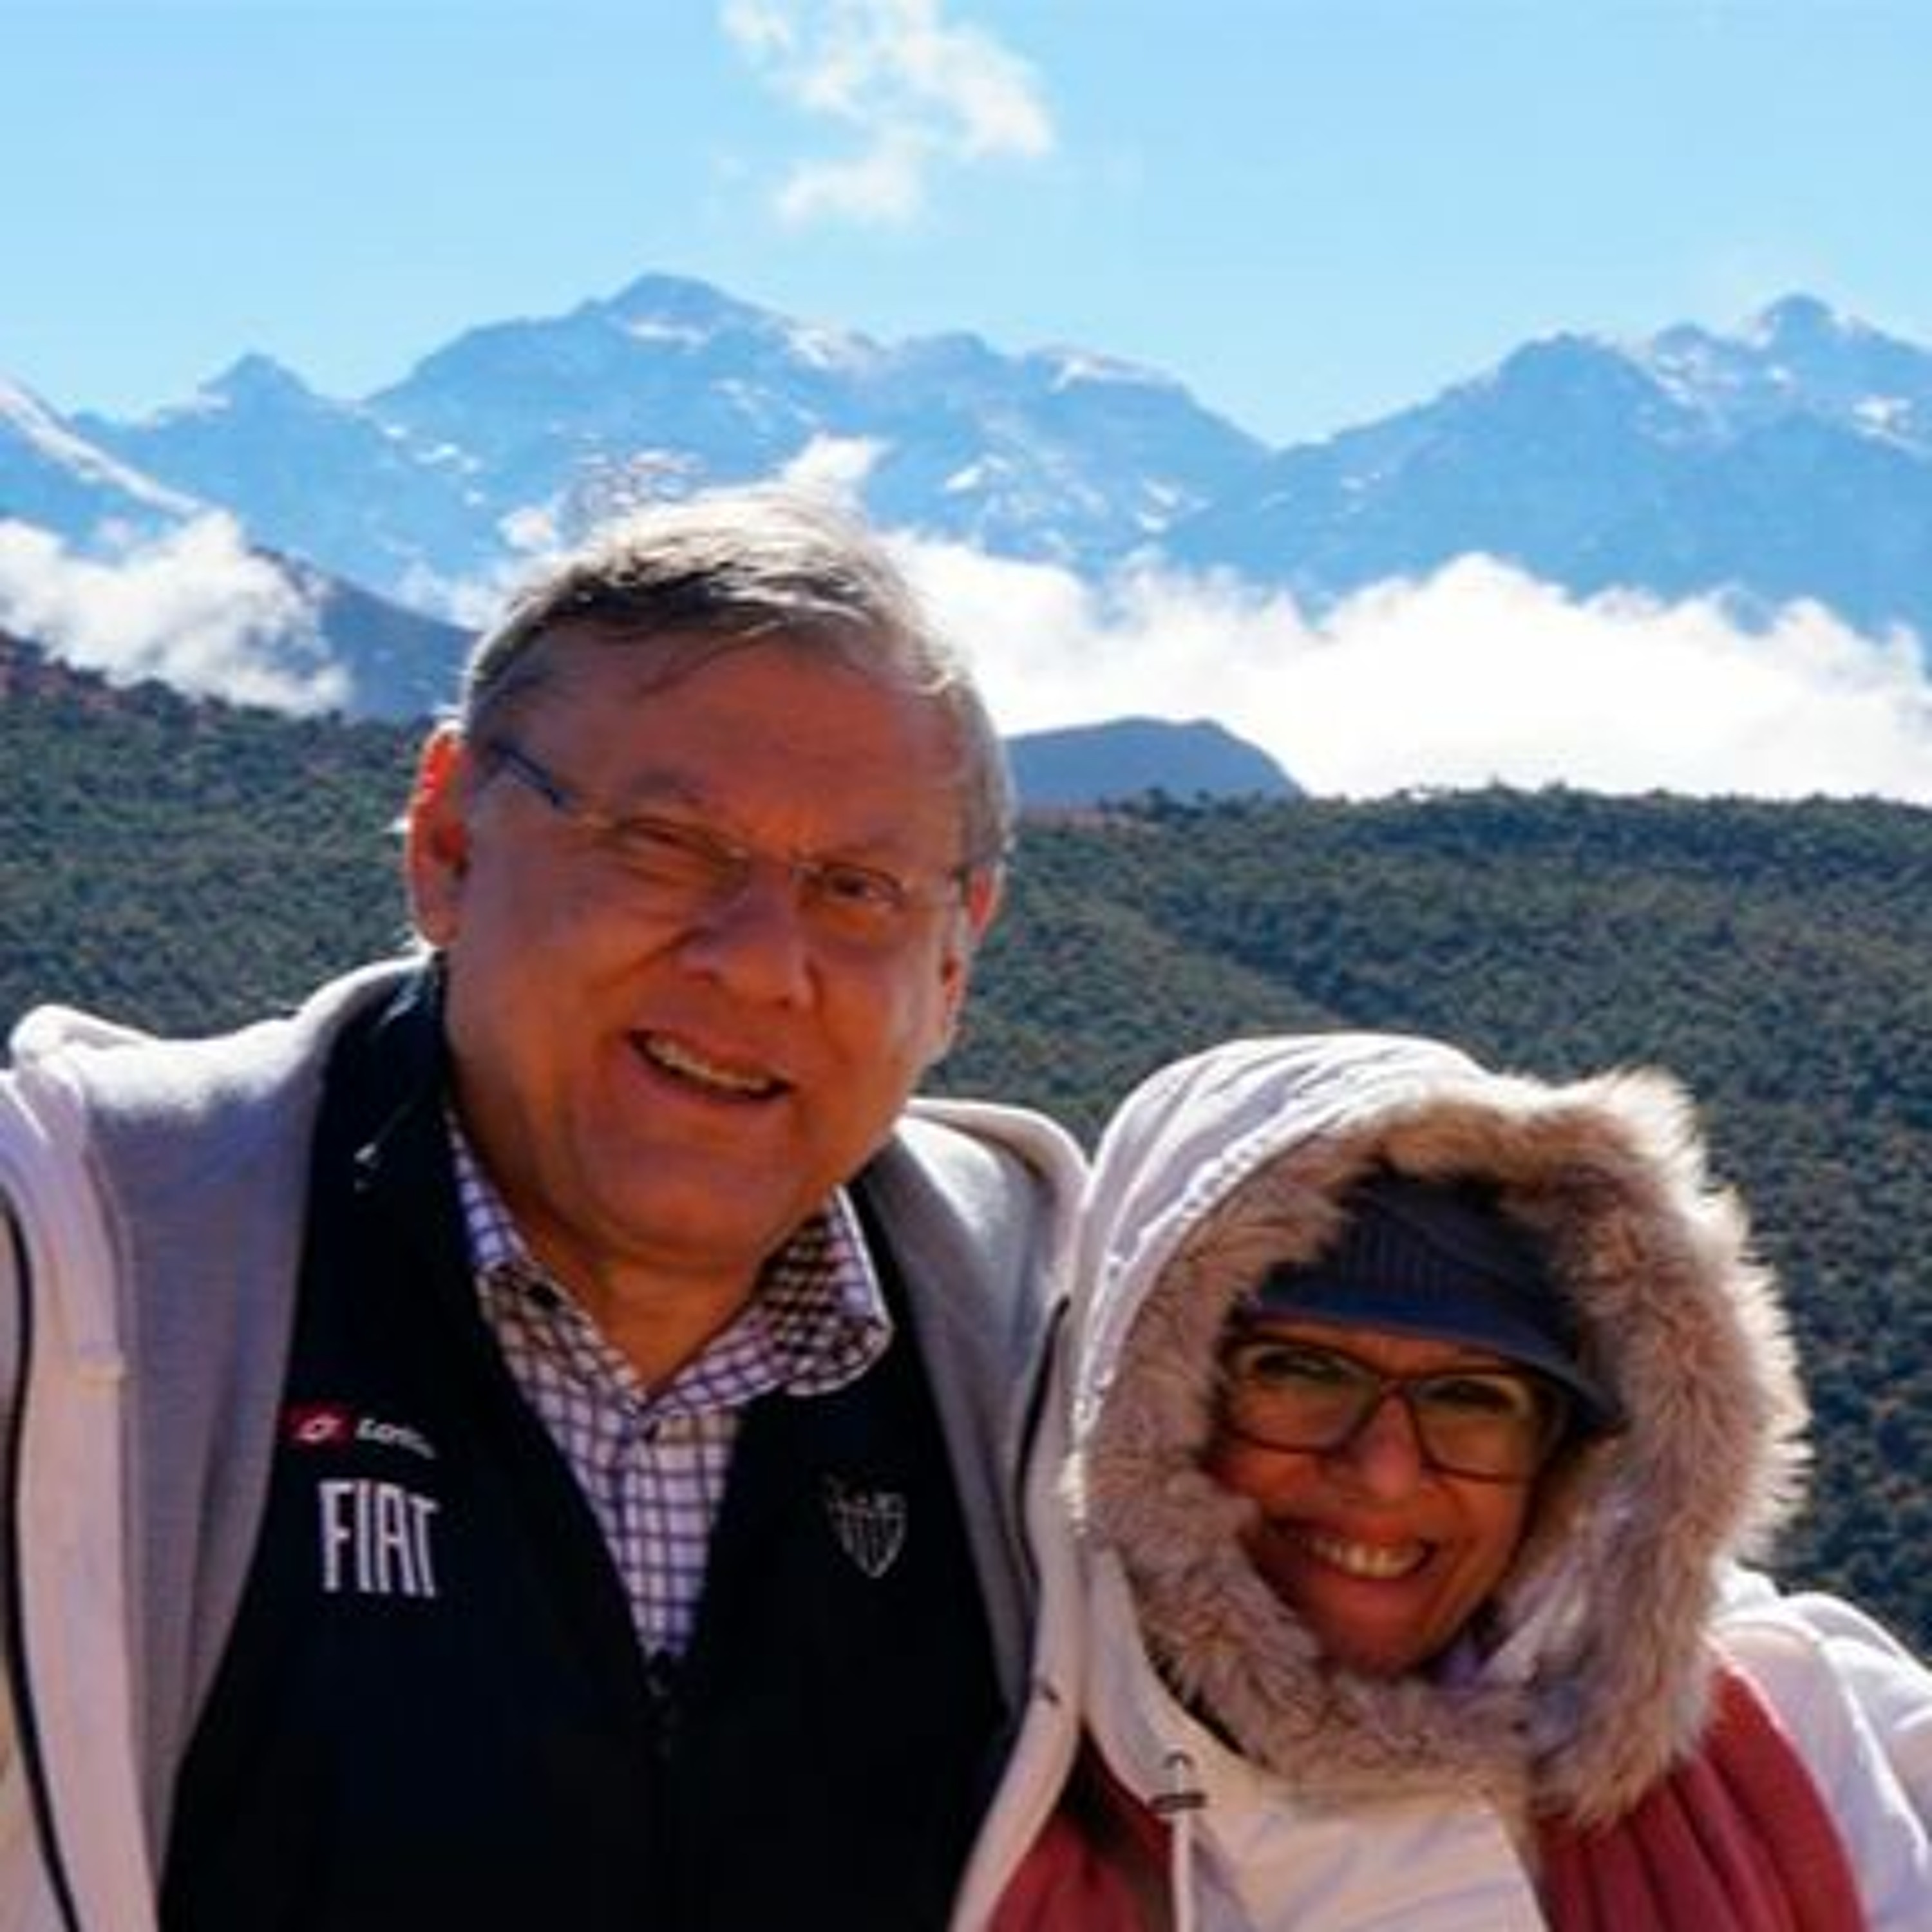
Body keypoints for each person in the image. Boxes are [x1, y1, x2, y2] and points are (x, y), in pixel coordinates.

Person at [0, 486, 1084, 1932]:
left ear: (954, 965)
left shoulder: (1058, 1375)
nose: (761, 964)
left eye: (857, 889)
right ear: (448, 841)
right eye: (665, 844)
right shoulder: (80, 1268)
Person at [954, 1032, 1932, 1929]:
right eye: (1300, 1373)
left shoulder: (1783, 1728)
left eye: (1472, 1397)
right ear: (1147, 1410)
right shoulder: (971, 1833)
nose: (1386, 1473)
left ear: (1561, 1466)